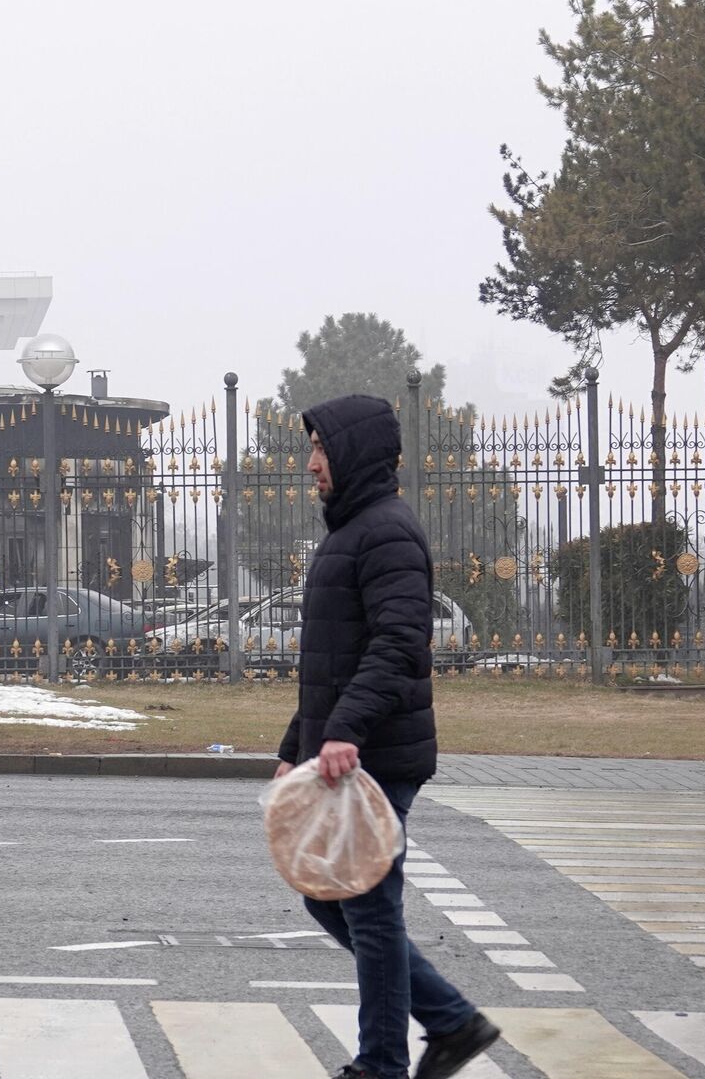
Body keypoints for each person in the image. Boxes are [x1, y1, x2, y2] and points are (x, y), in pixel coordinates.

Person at [275, 394, 500, 1079]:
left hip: (377, 756)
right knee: (328, 897)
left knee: (369, 911)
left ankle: (382, 1065)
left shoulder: (387, 532)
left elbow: (400, 643)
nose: (312, 464)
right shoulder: (352, 530)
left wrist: (343, 731)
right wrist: (296, 743)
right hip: (345, 750)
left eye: (321, 450)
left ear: (354, 454)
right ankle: (453, 1022)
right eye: (311, 450)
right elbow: (330, 659)